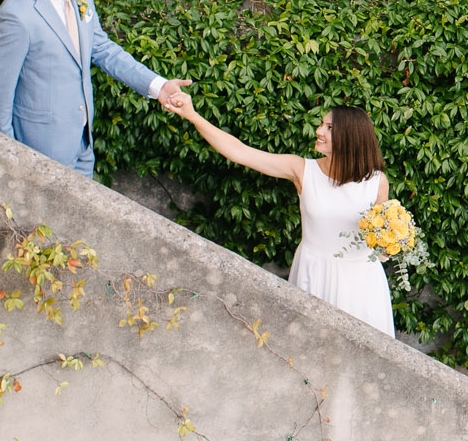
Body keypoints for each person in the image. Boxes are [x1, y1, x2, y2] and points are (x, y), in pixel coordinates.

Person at [166, 95, 395, 335]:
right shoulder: (302, 169)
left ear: (351, 136)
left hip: (360, 283)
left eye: (329, 127)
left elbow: (381, 240)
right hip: (313, 273)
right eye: (322, 124)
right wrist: (192, 115)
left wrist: (389, 248)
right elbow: (240, 152)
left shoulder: (377, 182)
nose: (319, 131)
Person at [0, 0, 191, 176]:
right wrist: (10, 159)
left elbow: (102, 49)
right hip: (38, 152)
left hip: (82, 143)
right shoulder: (17, 14)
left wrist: (158, 86)